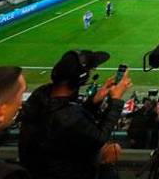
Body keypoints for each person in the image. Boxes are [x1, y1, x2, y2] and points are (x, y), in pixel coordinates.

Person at [18, 50, 130, 179]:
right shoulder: (66, 115)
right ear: (81, 78)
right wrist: (116, 100)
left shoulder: (42, 94)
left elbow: (71, 119)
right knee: (111, 153)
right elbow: (99, 137)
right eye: (90, 71)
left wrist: (93, 102)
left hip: (39, 168)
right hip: (64, 172)